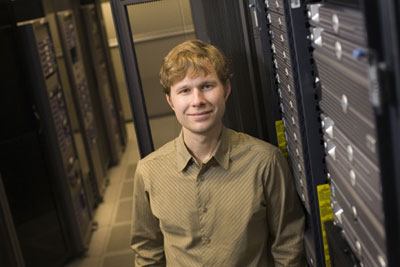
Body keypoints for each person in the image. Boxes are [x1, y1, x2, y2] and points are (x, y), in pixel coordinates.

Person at [131, 39, 306, 266]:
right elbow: (147, 252)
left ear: (226, 90)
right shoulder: (149, 172)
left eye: (207, 86)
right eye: (184, 90)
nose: (198, 101)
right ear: (170, 101)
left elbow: (288, 246)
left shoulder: (265, 162)